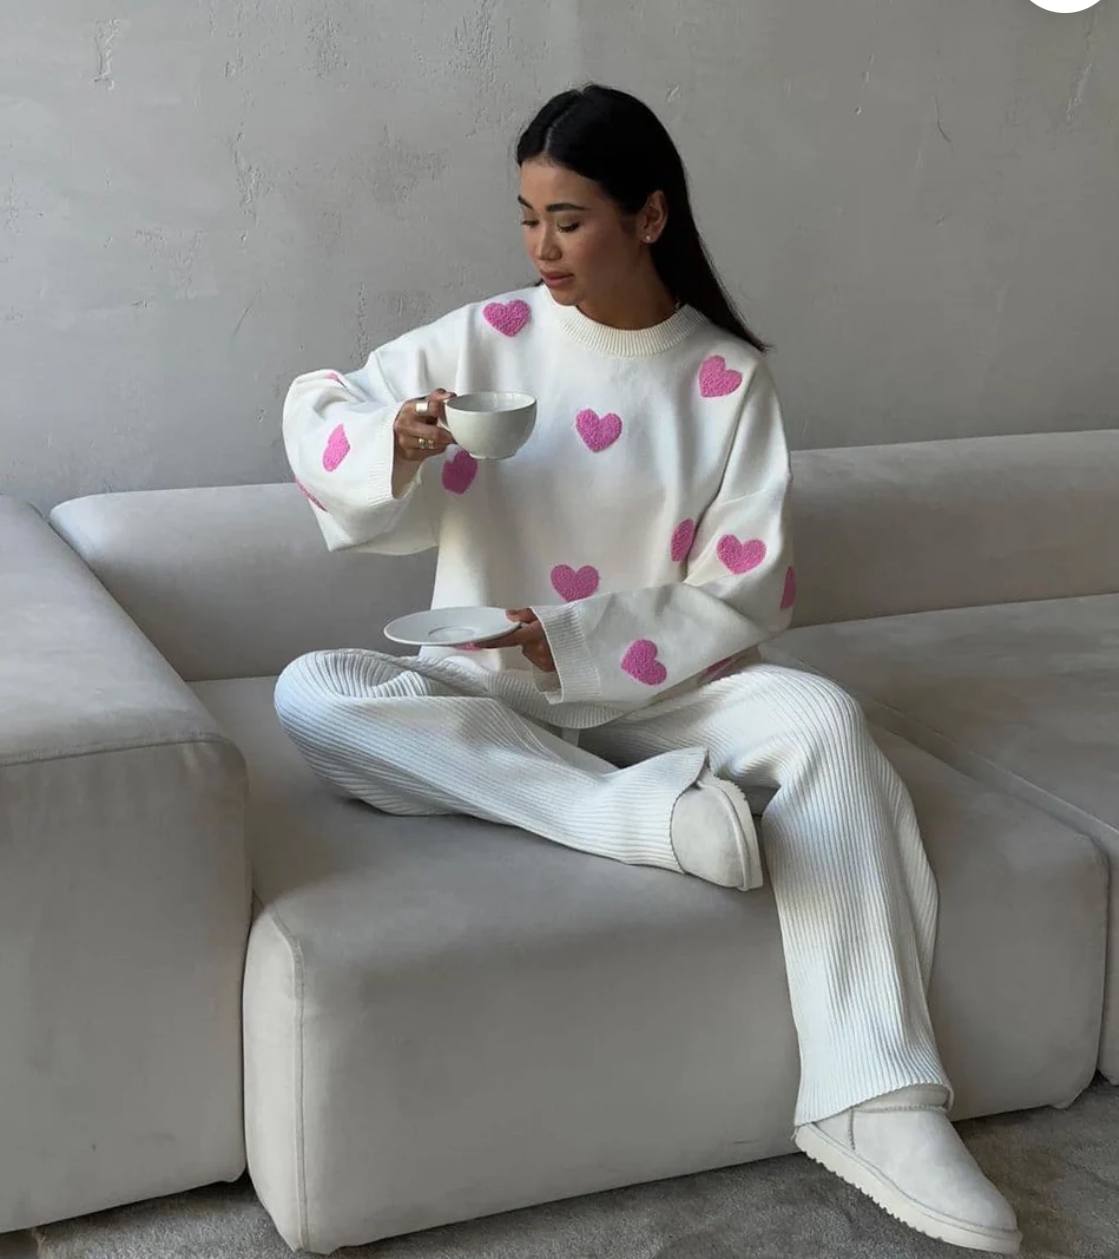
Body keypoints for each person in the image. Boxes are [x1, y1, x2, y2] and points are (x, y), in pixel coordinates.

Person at [273, 83, 1022, 1255]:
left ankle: (876, 1096)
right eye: (528, 218)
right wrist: (394, 442)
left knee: (824, 720)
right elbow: (319, 401)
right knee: (314, 689)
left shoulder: (727, 378)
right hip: (489, 692)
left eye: (568, 219)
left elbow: (744, 585)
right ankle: (630, 816)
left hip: (673, 695)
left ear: (651, 216)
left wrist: (570, 633)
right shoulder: (482, 341)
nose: (541, 247)